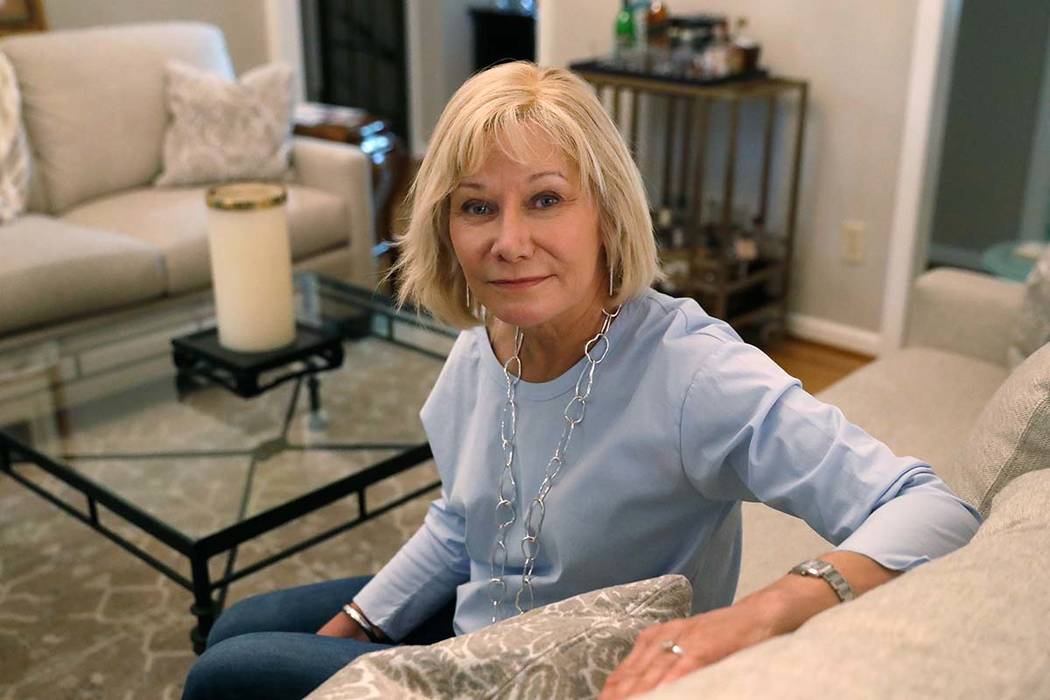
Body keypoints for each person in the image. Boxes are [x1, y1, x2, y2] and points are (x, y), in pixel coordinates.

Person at [182, 62, 980, 700]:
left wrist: (761, 614)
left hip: (567, 673)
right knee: (239, 626)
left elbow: (933, 510)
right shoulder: (483, 347)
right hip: (482, 628)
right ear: (445, 227)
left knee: (228, 676)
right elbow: (463, 526)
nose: (509, 241)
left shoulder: (693, 371)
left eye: (546, 200)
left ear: (604, 211)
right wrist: (360, 621)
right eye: (477, 208)